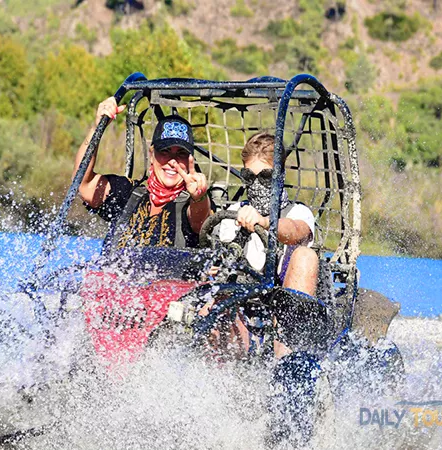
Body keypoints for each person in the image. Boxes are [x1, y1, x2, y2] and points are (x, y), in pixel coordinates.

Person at [217, 132, 328, 446]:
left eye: (265, 177)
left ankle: (288, 372)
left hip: (290, 318)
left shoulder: (298, 213)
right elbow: (214, 245)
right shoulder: (236, 213)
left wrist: (264, 222)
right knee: (216, 280)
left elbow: (294, 232)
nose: (257, 185)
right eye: (249, 177)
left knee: (305, 256)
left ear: (279, 177)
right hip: (246, 312)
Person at [75, 97, 212, 249]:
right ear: (152, 155)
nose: (172, 161)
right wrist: (96, 128)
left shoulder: (192, 202)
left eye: (181, 154)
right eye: (165, 152)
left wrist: (199, 197)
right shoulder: (129, 193)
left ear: (189, 160)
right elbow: (83, 185)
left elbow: (200, 222)